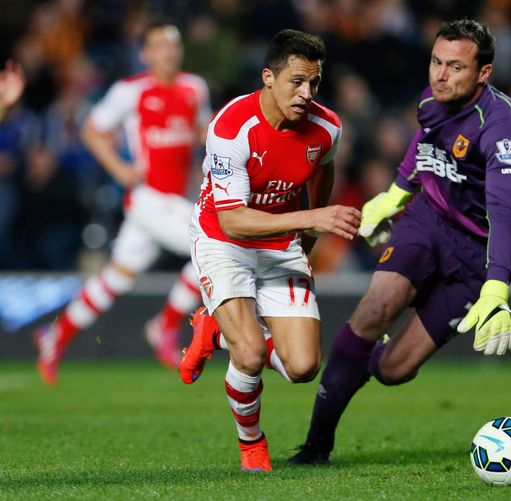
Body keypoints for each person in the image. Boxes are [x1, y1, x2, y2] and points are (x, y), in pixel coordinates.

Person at [286, 19, 511, 464]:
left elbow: (504, 214)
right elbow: (423, 144)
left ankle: (352, 363)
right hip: (429, 219)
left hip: (478, 254)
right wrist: (396, 194)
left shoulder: (502, 129)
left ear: (483, 74)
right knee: (375, 306)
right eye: (436, 62)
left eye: (455, 67)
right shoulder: (432, 100)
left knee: (392, 370)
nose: (440, 75)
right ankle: (316, 445)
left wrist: (497, 287)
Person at [179, 29, 360, 472]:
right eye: (296, 81)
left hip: (281, 242)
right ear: (268, 77)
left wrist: (314, 225)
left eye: (314, 83)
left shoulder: (327, 127)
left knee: (302, 367)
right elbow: (233, 219)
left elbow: (324, 165)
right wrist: (309, 219)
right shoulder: (230, 127)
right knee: (252, 356)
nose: (306, 93)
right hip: (223, 241)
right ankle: (252, 444)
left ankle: (214, 331)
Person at [34, 22, 212, 386]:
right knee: (209, 246)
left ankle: (56, 335)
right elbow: (92, 129)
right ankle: (163, 325)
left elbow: (201, 132)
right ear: (144, 54)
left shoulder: (195, 87)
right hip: (147, 198)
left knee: (116, 277)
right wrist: (118, 168)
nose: (169, 51)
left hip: (174, 200)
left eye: (173, 44)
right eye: (160, 45)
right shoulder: (131, 91)